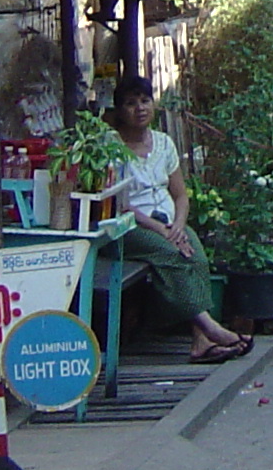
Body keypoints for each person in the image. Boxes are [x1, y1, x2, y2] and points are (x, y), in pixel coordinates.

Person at [106, 76, 252, 364]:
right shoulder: (111, 146)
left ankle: (199, 343)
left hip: (169, 221)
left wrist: (178, 225)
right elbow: (120, 203)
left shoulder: (164, 143)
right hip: (130, 225)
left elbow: (180, 195)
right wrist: (162, 230)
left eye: (145, 101)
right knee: (171, 254)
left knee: (196, 256)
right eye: (131, 103)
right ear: (119, 110)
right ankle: (211, 329)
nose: (140, 109)